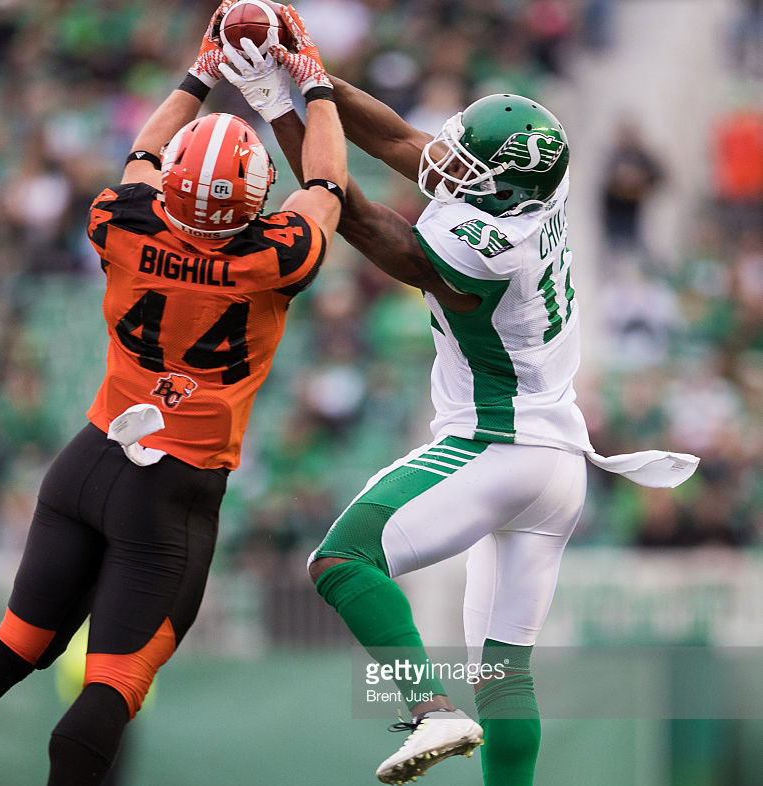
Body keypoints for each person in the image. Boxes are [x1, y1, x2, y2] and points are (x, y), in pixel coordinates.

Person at [0, 3, 346, 785]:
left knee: (17, 641)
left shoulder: (122, 219)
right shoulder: (272, 259)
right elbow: (326, 183)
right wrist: (311, 83)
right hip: (174, 490)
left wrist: (201, 70)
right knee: (112, 684)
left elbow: (144, 151)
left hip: (87, 462)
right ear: (254, 204)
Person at [220, 26, 699, 786]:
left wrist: (280, 102)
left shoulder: (483, 245)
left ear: (500, 186)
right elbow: (409, 142)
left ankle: (426, 709)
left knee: (342, 559)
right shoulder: (539, 188)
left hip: (497, 446)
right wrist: (313, 75)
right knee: (505, 676)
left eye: (471, 165)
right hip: (559, 465)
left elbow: (350, 212)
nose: (448, 165)